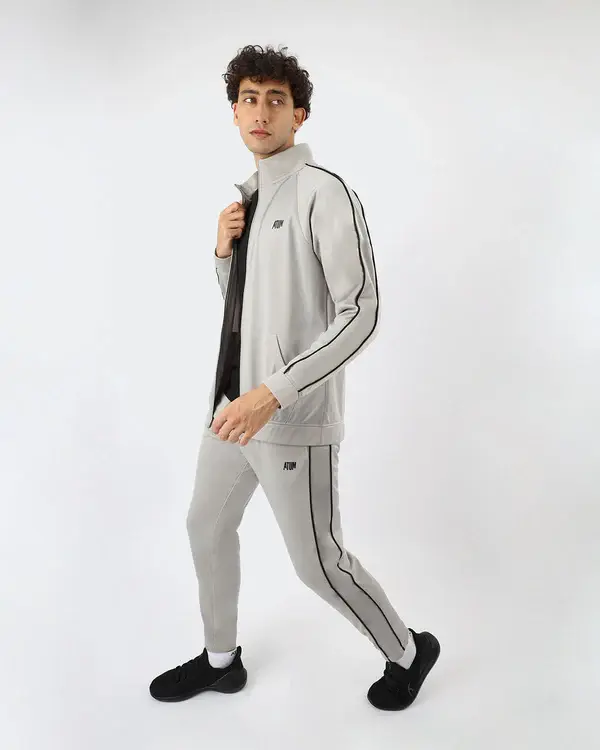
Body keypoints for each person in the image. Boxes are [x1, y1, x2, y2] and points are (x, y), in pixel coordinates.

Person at [149, 44, 440, 711]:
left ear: (298, 115)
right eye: (248, 99)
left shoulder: (322, 191)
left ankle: (408, 650)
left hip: (288, 418)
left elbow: (362, 313)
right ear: (234, 112)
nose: (261, 111)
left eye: (275, 100)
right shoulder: (249, 201)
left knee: (317, 564)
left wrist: (273, 393)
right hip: (231, 411)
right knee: (205, 528)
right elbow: (250, 311)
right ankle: (221, 661)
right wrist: (223, 254)